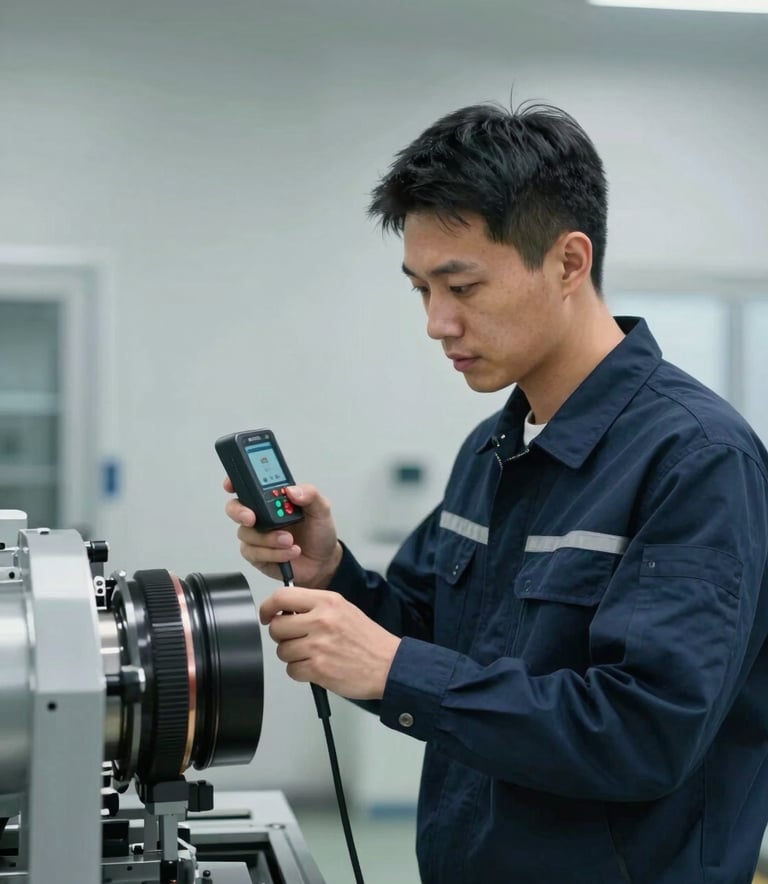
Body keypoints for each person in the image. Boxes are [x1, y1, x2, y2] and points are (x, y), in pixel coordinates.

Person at [224, 101, 768, 883]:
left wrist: (393, 670)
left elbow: (645, 735)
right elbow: (427, 637)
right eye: (420, 290)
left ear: (569, 263)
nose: (437, 323)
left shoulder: (697, 461)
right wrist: (330, 572)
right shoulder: (492, 450)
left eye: (463, 286)